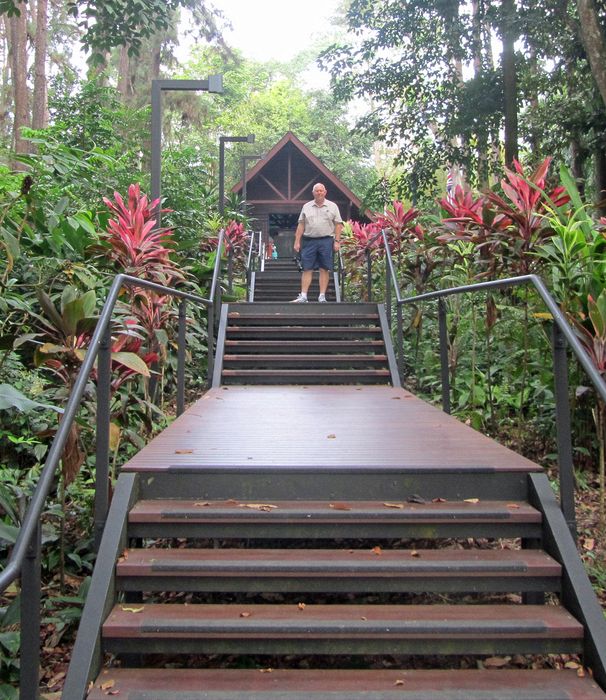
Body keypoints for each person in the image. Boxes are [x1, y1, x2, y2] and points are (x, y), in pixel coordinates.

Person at [291, 183, 343, 303]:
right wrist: (297, 241)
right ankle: (303, 296)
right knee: (307, 268)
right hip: (309, 240)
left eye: (321, 191)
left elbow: (338, 224)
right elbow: (301, 224)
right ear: (313, 192)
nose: (319, 193)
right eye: (317, 191)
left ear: (325, 192)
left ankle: (322, 296)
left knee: (324, 268)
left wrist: (337, 241)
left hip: (326, 240)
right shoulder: (306, 206)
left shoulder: (333, 206)